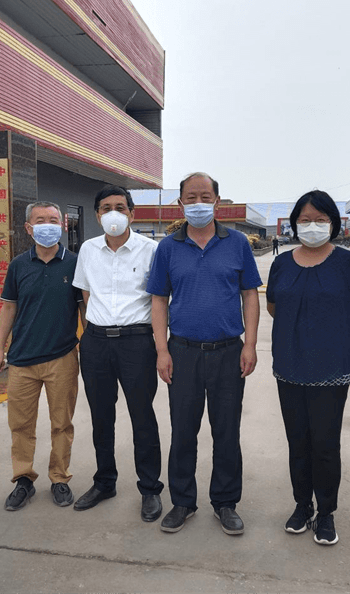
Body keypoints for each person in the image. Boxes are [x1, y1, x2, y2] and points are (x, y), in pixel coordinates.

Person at [147, 172, 262, 535]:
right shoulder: (168, 247)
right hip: (182, 352)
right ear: (181, 203)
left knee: (226, 431)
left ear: (217, 201)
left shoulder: (237, 243)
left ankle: (225, 502)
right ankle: (183, 501)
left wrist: (250, 344)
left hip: (228, 352)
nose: (198, 203)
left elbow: (249, 295)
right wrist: (162, 350)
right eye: (191, 197)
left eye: (205, 197)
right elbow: (158, 300)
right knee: (183, 431)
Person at [266, 190, 350, 546]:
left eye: (321, 219)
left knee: (325, 444)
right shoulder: (281, 263)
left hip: (332, 369)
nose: (312, 225)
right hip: (289, 365)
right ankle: (302, 505)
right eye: (305, 220)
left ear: (333, 223)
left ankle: (326, 512)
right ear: (295, 224)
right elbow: (274, 307)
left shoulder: (348, 262)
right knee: (297, 441)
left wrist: (339, 342)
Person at [72, 185, 164, 522]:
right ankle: (104, 482)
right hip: (96, 342)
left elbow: (159, 299)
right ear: (97, 215)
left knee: (142, 416)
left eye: (120, 207)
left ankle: (150, 488)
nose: (114, 213)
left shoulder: (151, 250)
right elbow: (85, 294)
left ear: (132, 214)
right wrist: (93, 331)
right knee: (101, 416)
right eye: (106, 208)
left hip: (136, 342)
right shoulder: (88, 249)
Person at [0, 202, 84, 511]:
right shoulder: (18, 265)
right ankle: (23, 480)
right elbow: (9, 307)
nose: (48, 225)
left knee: (62, 424)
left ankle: (59, 478)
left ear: (63, 226)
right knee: (20, 425)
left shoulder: (75, 263)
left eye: (54, 220)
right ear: (28, 228)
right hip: (22, 360)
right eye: (41, 220)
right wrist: (0, 348)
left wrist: (88, 344)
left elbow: (84, 307)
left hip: (62, 357)